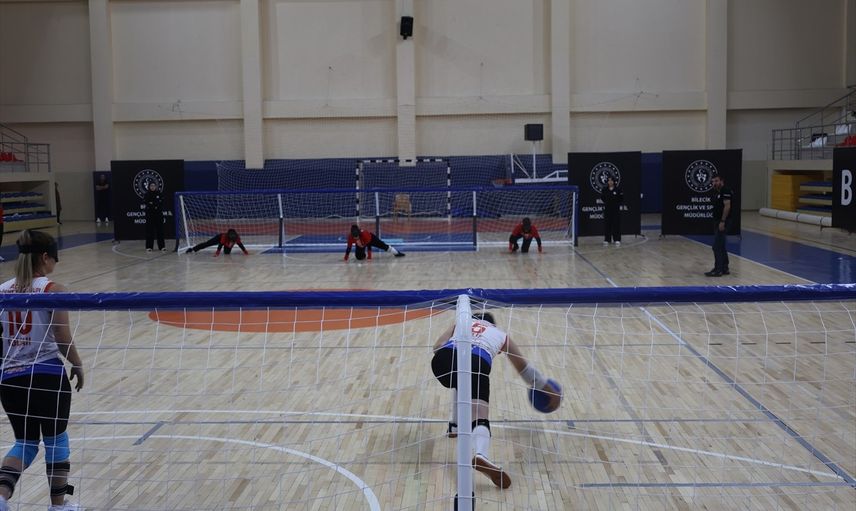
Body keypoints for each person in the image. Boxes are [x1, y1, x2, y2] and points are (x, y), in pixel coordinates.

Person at [0, 230, 85, 511]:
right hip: (47, 375)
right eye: (55, 259)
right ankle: (58, 506)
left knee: (25, 443)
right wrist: (77, 363)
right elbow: (61, 336)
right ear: (46, 257)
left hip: (10, 378)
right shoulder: (53, 290)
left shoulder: (1, 290)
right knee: (56, 440)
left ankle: (1, 498)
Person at [431, 312, 556, 489]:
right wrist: (546, 388)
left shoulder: (462, 323)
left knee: (460, 380)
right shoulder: (500, 335)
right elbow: (524, 370)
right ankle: (481, 454)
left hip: (442, 361)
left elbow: (437, 346)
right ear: (493, 325)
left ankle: (455, 425)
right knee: (479, 414)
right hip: (477, 363)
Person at [705, 175, 733, 277]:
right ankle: (724, 268)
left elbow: (727, 206)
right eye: (713, 181)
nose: (714, 183)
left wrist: (722, 221)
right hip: (717, 221)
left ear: (722, 181)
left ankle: (718, 269)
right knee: (721, 245)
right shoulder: (717, 192)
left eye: (716, 181)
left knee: (716, 246)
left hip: (723, 222)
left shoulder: (725, 190)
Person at [143, 182, 166, 252]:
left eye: (154, 186)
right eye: (151, 186)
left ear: (156, 186)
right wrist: (154, 204)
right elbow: (147, 203)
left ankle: (162, 246)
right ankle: (149, 247)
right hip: (150, 215)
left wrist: (154, 204)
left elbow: (161, 202)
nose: (152, 187)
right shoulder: (147, 194)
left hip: (158, 215)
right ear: (149, 187)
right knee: (150, 231)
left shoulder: (159, 193)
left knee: (160, 231)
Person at [601, 177, 623, 246]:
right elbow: (603, 198)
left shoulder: (618, 189)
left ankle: (617, 239)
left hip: (615, 210)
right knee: (607, 224)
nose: (610, 182)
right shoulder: (605, 189)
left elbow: (621, 198)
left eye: (611, 181)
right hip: (607, 209)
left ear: (614, 182)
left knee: (616, 224)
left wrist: (615, 204)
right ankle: (607, 239)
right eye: (609, 181)